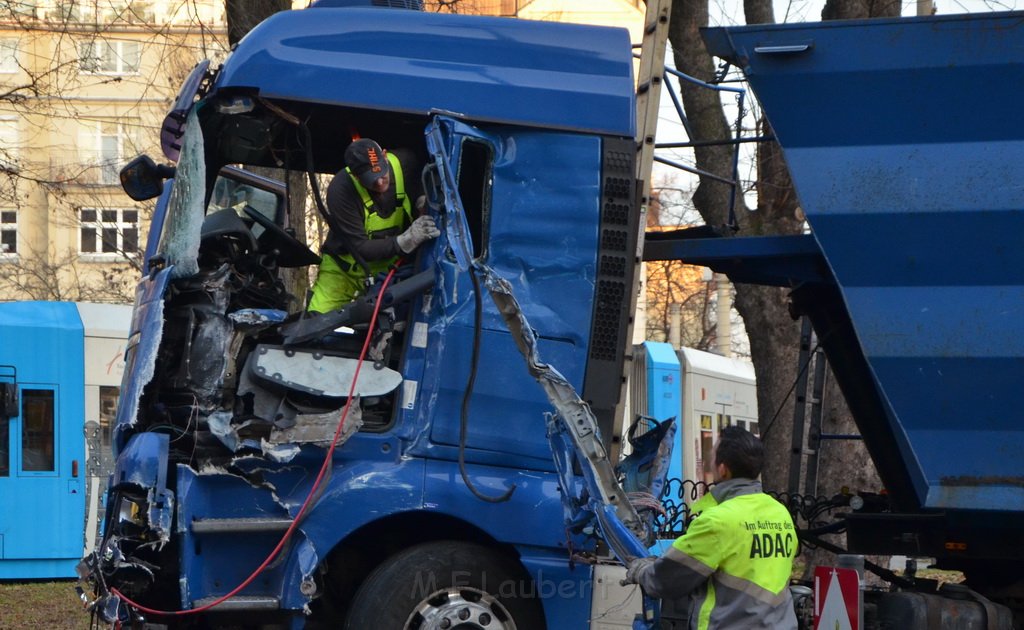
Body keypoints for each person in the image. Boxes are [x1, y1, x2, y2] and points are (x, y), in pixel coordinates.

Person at [625, 426, 798, 630]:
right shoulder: (779, 513)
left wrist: (642, 570)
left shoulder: (718, 521)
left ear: (723, 469)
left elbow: (665, 581)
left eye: (712, 455)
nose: (709, 460)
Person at [308, 138, 440, 313]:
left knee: (393, 328)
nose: (379, 183)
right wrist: (406, 241)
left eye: (381, 174)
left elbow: (425, 185)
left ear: (384, 156)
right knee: (314, 325)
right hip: (343, 271)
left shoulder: (407, 163)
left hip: (389, 271)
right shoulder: (340, 191)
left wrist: (423, 201)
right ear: (355, 175)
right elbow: (361, 247)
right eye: (370, 179)